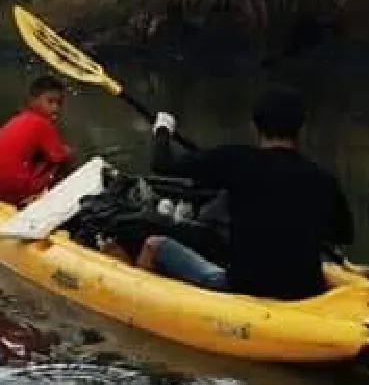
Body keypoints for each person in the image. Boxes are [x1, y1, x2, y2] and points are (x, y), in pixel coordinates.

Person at [132, 85, 353, 300]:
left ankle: (143, 311)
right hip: (306, 293)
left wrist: (163, 129)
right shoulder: (323, 179)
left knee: (155, 245)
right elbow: (343, 234)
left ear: (255, 126)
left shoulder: (237, 160)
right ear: (301, 129)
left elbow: (162, 164)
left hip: (243, 288)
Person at [0, 74, 74, 205]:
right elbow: (61, 157)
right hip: (9, 190)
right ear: (32, 101)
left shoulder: (17, 119)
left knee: (41, 156)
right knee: (64, 157)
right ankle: (60, 202)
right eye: (50, 102)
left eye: (59, 104)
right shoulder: (41, 123)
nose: (55, 109)